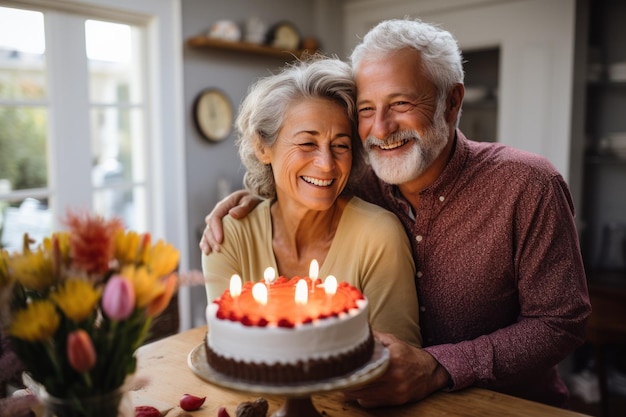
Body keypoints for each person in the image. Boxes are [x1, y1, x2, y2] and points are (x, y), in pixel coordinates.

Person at [200, 18, 591, 409]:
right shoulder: (362, 180)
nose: (382, 129)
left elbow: (561, 321)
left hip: (508, 405)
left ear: (452, 101)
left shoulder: (527, 185)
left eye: (401, 103)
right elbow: (302, 177)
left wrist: (440, 366)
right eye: (367, 109)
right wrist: (254, 195)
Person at [202, 55, 422, 348]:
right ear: (262, 147)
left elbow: (399, 359)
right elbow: (229, 349)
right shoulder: (229, 237)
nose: (327, 164)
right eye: (307, 143)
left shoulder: (378, 234)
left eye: (340, 146)